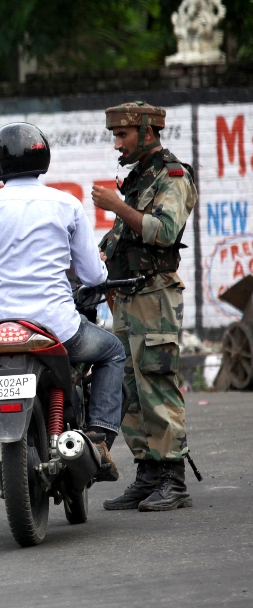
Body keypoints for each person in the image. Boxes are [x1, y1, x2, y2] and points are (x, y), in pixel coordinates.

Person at [0, 122, 126, 547]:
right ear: (42, 158)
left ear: (0, 162)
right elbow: (92, 273)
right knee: (111, 353)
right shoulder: (66, 204)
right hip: (57, 328)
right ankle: (98, 440)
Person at [93, 102, 197, 512]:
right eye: (114, 135)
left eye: (123, 135)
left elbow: (164, 231)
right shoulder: (139, 179)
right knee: (127, 389)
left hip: (155, 295)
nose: (117, 143)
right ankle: (148, 474)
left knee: (157, 383)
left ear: (148, 131)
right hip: (129, 296)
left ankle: (173, 479)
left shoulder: (174, 176)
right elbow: (121, 238)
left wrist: (116, 206)